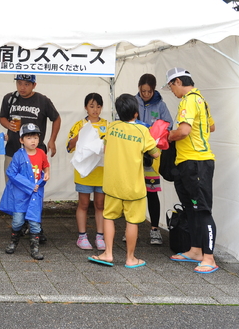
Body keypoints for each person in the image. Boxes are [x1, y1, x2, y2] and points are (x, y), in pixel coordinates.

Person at [88, 94, 159, 268]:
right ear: (136, 113)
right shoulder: (142, 131)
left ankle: (108, 254)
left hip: (112, 184)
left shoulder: (111, 127)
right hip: (133, 186)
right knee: (132, 221)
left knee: (109, 217)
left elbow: (105, 147)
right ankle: (130, 258)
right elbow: (155, 153)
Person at [165, 67, 219, 274]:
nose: (172, 91)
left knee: (202, 210)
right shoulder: (201, 100)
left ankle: (209, 257)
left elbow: (184, 131)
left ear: (178, 82)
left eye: (171, 86)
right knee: (192, 208)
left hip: (196, 162)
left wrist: (167, 136)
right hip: (190, 161)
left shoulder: (188, 100)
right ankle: (195, 250)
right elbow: (211, 127)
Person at [0, 123, 50, 260]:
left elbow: (46, 166)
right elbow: (11, 172)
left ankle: (35, 248)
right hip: (21, 194)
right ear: (21, 140)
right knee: (17, 221)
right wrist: (28, 185)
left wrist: (46, 173)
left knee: (34, 221)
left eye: (35, 137)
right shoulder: (18, 155)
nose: (33, 140)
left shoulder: (41, 153)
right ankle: (13, 242)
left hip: (35, 194)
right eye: (28, 138)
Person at [66, 93, 108, 251]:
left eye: (98, 106)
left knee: (100, 204)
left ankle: (100, 236)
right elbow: (69, 146)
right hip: (84, 172)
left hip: (102, 172)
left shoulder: (108, 125)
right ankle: (82, 236)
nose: (95, 110)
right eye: (91, 106)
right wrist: (80, 135)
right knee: (83, 204)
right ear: (85, 107)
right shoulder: (79, 124)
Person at [0, 75, 61, 183]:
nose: (22, 87)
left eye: (26, 84)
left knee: (34, 184)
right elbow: (2, 117)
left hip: (35, 151)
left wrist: (52, 140)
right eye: (19, 83)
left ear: (34, 85)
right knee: (11, 184)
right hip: (13, 150)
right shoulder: (9, 98)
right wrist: (8, 125)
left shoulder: (43, 100)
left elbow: (56, 119)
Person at [136, 73, 174, 245]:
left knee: (152, 193)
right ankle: (132, 227)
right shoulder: (132, 102)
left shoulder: (160, 105)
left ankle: (155, 230)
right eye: (143, 91)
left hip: (153, 155)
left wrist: (154, 130)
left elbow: (169, 125)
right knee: (134, 193)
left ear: (154, 89)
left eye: (149, 91)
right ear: (138, 89)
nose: (145, 94)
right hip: (135, 154)